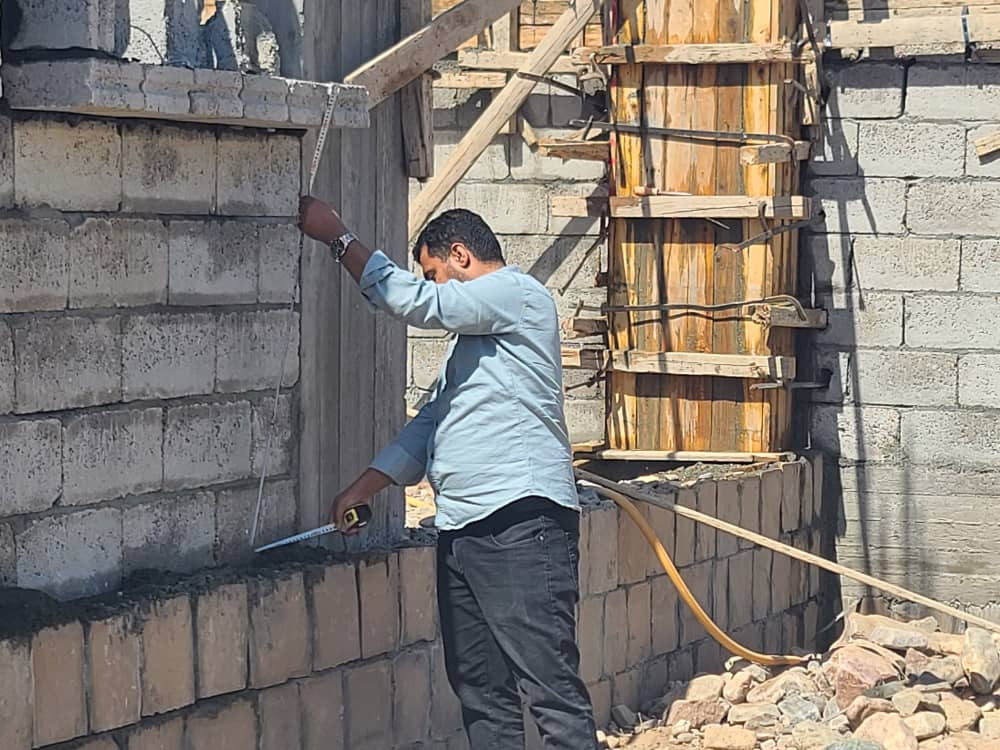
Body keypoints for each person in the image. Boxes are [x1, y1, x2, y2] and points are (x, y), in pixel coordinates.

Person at [298, 196, 599, 749]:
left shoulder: (518, 295)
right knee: (482, 692)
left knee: (550, 689)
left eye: (434, 274)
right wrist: (364, 488)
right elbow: (429, 424)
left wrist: (338, 238)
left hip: (519, 523)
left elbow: (417, 304)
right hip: (465, 529)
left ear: (460, 255)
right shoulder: (472, 351)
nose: (433, 288)